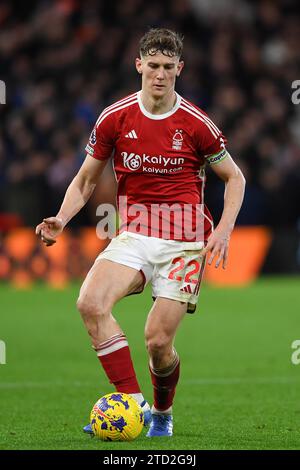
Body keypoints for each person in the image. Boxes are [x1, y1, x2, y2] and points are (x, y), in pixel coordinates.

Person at [36, 28, 245, 437]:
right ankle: (134, 403)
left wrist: (223, 229)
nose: (160, 75)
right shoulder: (115, 117)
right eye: (153, 66)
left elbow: (233, 178)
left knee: (157, 343)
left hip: (185, 242)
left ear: (179, 69)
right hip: (133, 232)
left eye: (169, 67)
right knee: (90, 303)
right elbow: (84, 181)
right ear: (139, 65)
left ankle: (162, 414)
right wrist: (62, 218)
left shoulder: (196, 124)